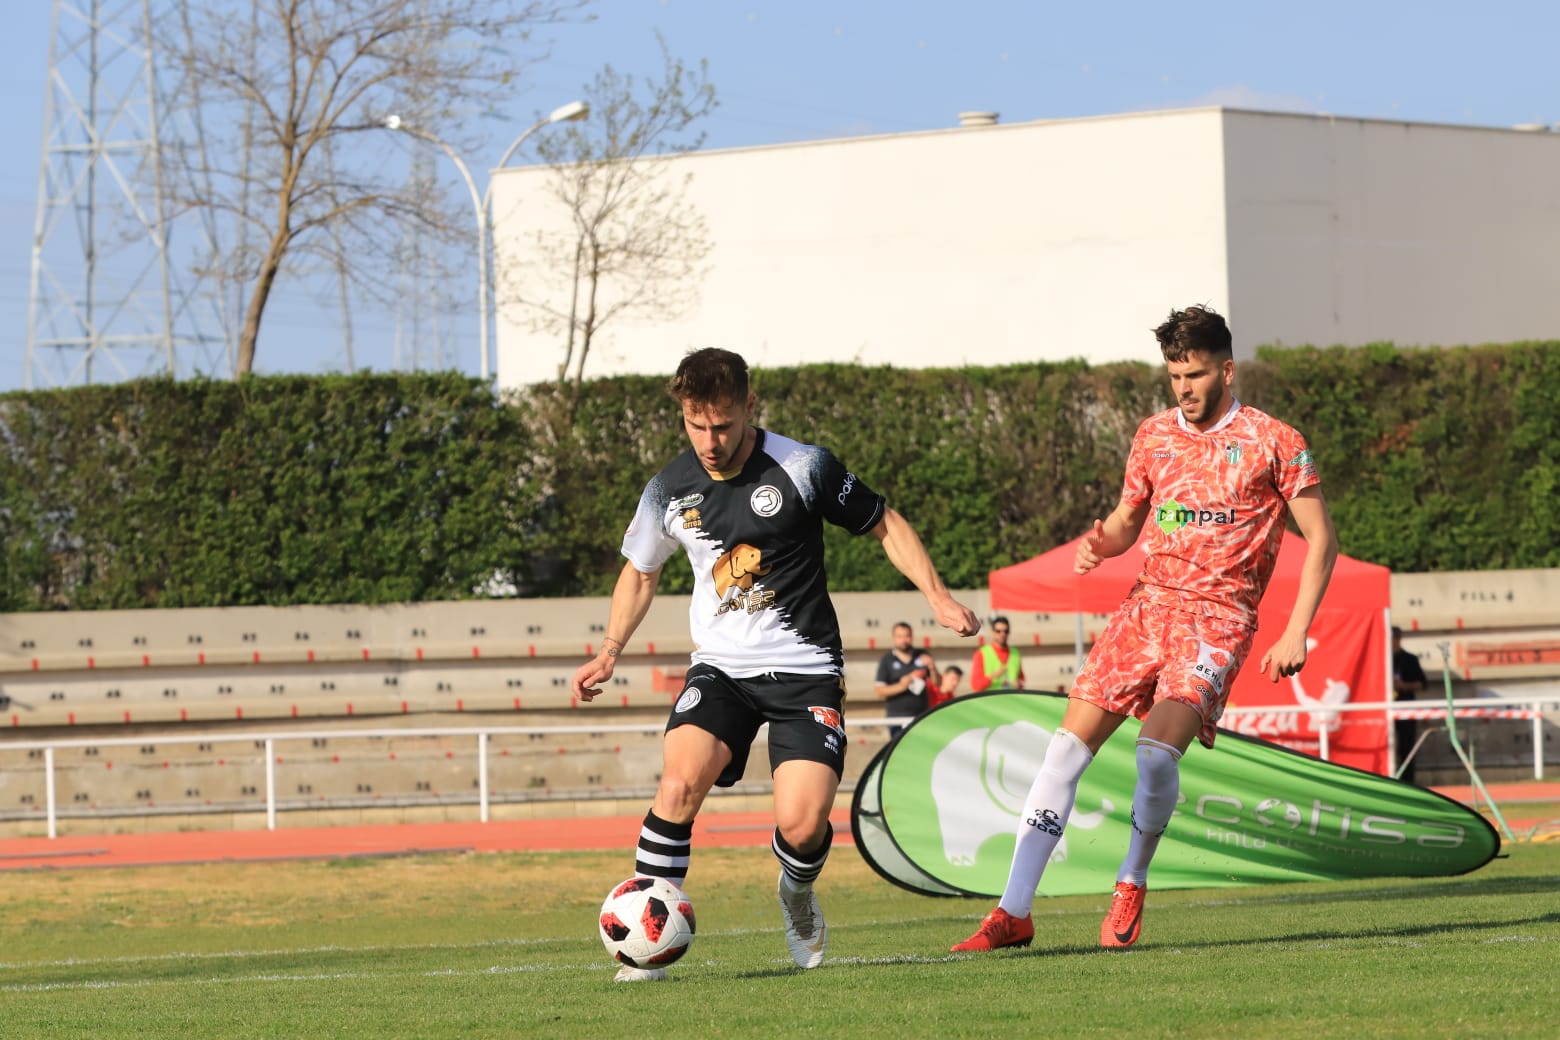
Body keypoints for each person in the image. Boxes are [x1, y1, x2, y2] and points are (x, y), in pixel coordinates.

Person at [572, 347, 980, 982]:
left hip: (806, 669)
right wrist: (609, 650)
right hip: (722, 670)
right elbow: (640, 572)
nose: (710, 440)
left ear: (748, 407)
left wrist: (937, 596)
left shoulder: (804, 465)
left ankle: (796, 893)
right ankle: (646, 945)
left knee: (803, 822)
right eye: (696, 425)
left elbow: (884, 523)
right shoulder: (669, 488)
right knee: (679, 782)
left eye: (724, 425)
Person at [952, 303, 1338, 954]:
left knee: (1156, 754)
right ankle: (1013, 912)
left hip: (1219, 616)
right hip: (1146, 605)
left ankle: (1131, 879)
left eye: (1194, 373)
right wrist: (1101, 542)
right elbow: (1129, 520)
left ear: (1227, 369)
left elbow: (1323, 539)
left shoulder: (1276, 440)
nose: (1183, 387)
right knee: (1064, 752)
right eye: (1173, 375)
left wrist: (1295, 630)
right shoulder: (1153, 435)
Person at [875, 621, 940, 734]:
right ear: (894, 638)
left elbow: (938, 683)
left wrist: (932, 667)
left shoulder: (922, 655)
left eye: (907, 636)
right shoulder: (887, 660)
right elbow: (880, 691)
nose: (904, 640)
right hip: (897, 718)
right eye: (900, 636)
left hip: (921, 715)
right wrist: (903, 685)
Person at [1391, 626, 1428, 784]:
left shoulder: (1409, 659)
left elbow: (1423, 684)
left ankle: (1407, 781)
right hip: (1385, 708)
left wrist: (1404, 686)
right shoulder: (1379, 657)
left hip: (1405, 708)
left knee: (1407, 747)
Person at [969, 615, 1025, 691]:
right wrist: (993, 675)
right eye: (998, 631)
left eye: (1006, 631)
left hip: (1011, 700)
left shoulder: (1015, 653)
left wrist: (1019, 684)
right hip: (990, 701)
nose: (1002, 634)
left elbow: (1021, 679)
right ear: (992, 632)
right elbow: (975, 685)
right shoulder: (981, 654)